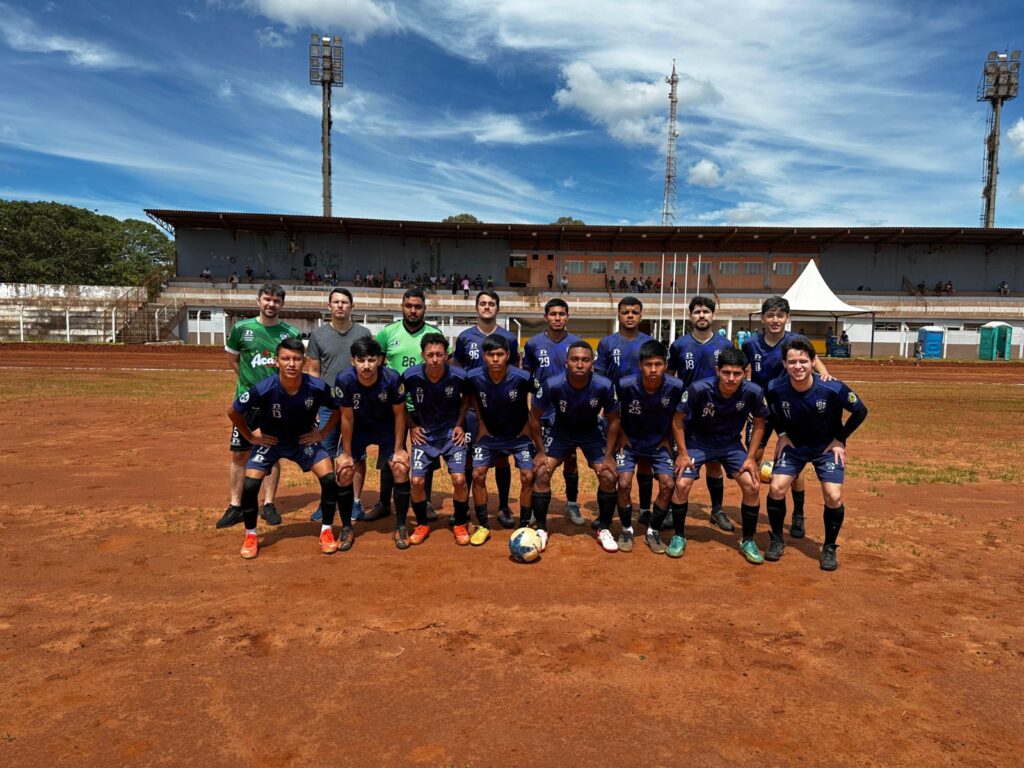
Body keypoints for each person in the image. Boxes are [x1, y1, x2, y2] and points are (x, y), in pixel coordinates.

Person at [227, 338, 343, 559]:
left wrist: (322, 433)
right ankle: (251, 534)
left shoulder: (317, 387)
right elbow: (233, 411)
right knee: (250, 485)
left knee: (329, 479)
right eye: (286, 359)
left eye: (297, 359)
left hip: (303, 441)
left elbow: (338, 408)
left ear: (304, 361)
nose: (291, 364)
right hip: (272, 442)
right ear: (276, 362)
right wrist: (250, 436)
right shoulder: (265, 388)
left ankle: (326, 530)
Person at [764, 338, 868, 571]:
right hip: (795, 447)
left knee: (833, 495)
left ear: (813, 362)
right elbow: (769, 411)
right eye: (792, 362)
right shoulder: (774, 388)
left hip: (825, 448)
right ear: (784, 363)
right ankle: (777, 540)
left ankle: (829, 547)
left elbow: (860, 410)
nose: (797, 366)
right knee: (776, 488)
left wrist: (840, 438)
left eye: (803, 361)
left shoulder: (833, 388)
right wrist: (781, 433)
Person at [741, 295, 831, 540]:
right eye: (770, 315)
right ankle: (752, 503)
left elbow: (816, 363)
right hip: (760, 410)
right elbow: (740, 370)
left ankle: (798, 513)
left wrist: (825, 377)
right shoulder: (750, 344)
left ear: (787, 318)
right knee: (753, 456)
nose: (775, 320)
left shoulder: (795, 341)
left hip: (790, 409)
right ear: (762, 318)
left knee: (794, 457)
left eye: (780, 315)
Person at [671, 347, 767, 563]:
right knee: (682, 483)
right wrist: (683, 453)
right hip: (698, 442)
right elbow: (677, 418)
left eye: (737, 373)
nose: (731, 379)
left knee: (752, 485)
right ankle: (678, 535)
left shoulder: (753, 391)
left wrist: (751, 457)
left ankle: (748, 540)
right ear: (717, 370)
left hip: (731, 445)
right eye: (726, 373)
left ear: (745, 372)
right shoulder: (698, 389)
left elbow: (760, 422)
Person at [218, 284, 301, 530]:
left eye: (276, 300)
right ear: (258, 301)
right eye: (267, 299)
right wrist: (248, 384)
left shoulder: (290, 332)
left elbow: (293, 365)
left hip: (276, 403)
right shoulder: (242, 329)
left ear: (282, 305)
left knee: (272, 453)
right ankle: (236, 505)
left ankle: (268, 503)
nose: (271, 304)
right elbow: (233, 359)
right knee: (239, 453)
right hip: (247, 402)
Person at [530, 341, 620, 552]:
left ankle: (604, 529)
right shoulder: (552, 384)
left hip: (591, 433)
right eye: (575, 359)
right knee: (542, 472)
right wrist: (541, 451)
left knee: (608, 476)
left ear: (593, 363)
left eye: (585, 360)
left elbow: (614, 420)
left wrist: (608, 455)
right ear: (566, 363)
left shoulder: (604, 385)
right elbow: (534, 417)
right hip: (560, 432)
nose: (580, 364)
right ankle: (541, 529)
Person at [373, 289, 446, 521]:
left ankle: (424, 503)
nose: (413, 310)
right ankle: (384, 501)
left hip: (426, 406)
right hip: (393, 405)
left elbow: (446, 366)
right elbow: (376, 367)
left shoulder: (435, 333)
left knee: (427, 452)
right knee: (389, 453)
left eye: (418, 306)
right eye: (408, 306)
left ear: (425, 308)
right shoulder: (387, 333)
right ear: (402, 307)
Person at [334, 337, 412, 549]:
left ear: (380, 360)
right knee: (344, 471)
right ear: (353, 361)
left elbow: (399, 415)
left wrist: (398, 449)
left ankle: (401, 525)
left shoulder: (392, 378)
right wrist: (347, 454)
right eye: (361, 360)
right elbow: (347, 418)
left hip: (386, 428)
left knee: (400, 468)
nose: (366, 365)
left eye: (371, 359)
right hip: (358, 428)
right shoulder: (344, 379)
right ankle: (347, 527)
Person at [668, 296, 736, 532]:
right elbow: (670, 376)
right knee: (680, 461)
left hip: (717, 412)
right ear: (690, 316)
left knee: (715, 463)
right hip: (686, 413)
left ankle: (717, 510)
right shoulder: (679, 345)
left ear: (713, 316)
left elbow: (733, 376)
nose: (702, 316)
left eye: (706, 312)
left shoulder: (725, 345)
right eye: (697, 312)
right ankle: (671, 509)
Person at [454, 291, 521, 528]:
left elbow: (516, 374)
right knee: (472, 460)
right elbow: (458, 371)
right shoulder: (464, 337)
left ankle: (503, 506)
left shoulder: (509, 338)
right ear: (476, 308)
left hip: (501, 410)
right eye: (482, 303)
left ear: (498, 308)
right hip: (473, 409)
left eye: (491, 304)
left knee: (502, 459)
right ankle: (469, 507)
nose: (486, 307)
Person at [305, 288, 372, 522]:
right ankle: (328, 502)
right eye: (336, 302)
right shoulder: (318, 335)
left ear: (352, 306)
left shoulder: (364, 333)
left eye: (345, 302)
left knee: (356, 454)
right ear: (329, 306)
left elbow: (369, 367)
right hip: (328, 404)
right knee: (324, 453)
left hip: (356, 405)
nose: (340, 306)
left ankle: (355, 502)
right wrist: (312, 405)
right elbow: (313, 371)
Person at [465, 334, 538, 547]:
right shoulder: (473, 376)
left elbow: (541, 397)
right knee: (478, 474)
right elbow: (470, 397)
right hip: (489, 435)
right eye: (490, 355)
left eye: (499, 354)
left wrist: (529, 423)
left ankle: (524, 523)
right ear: (483, 356)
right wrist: (480, 421)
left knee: (527, 475)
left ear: (508, 355)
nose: (495, 359)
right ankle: (483, 525)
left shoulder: (523, 377)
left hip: (518, 435)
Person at [614, 340, 686, 555]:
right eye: (648, 364)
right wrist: (622, 435)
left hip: (658, 443)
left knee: (667, 484)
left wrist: (668, 438)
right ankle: (626, 529)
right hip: (630, 442)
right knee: (624, 483)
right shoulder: (625, 384)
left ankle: (653, 531)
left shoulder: (676, 387)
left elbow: (677, 417)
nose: (653, 369)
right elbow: (614, 414)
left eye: (658, 364)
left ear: (665, 365)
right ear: (640, 365)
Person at [402, 333, 471, 546]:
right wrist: (412, 425)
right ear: (422, 355)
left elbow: (467, 399)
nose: (434, 359)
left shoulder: (459, 376)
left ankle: (460, 523)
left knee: (459, 479)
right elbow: (398, 403)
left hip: (451, 434)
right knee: (416, 481)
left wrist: (459, 424)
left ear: (447, 356)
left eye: (439, 354)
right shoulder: (410, 376)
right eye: (430, 354)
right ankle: (422, 524)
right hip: (425, 435)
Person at [595, 297, 656, 529]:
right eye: (625, 312)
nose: (630, 315)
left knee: (645, 462)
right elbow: (600, 377)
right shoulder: (607, 343)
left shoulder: (649, 342)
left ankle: (646, 509)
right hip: (615, 410)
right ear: (618, 315)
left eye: (635, 312)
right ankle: (607, 514)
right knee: (612, 460)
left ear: (641, 315)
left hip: (645, 410)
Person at [523, 299, 585, 525]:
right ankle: (532, 507)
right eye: (553, 314)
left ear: (567, 317)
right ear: (545, 317)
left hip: (570, 411)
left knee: (570, 457)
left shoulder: (577, 343)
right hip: (542, 410)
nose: (557, 318)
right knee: (538, 460)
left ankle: (571, 503)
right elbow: (527, 376)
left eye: (562, 314)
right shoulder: (533, 343)